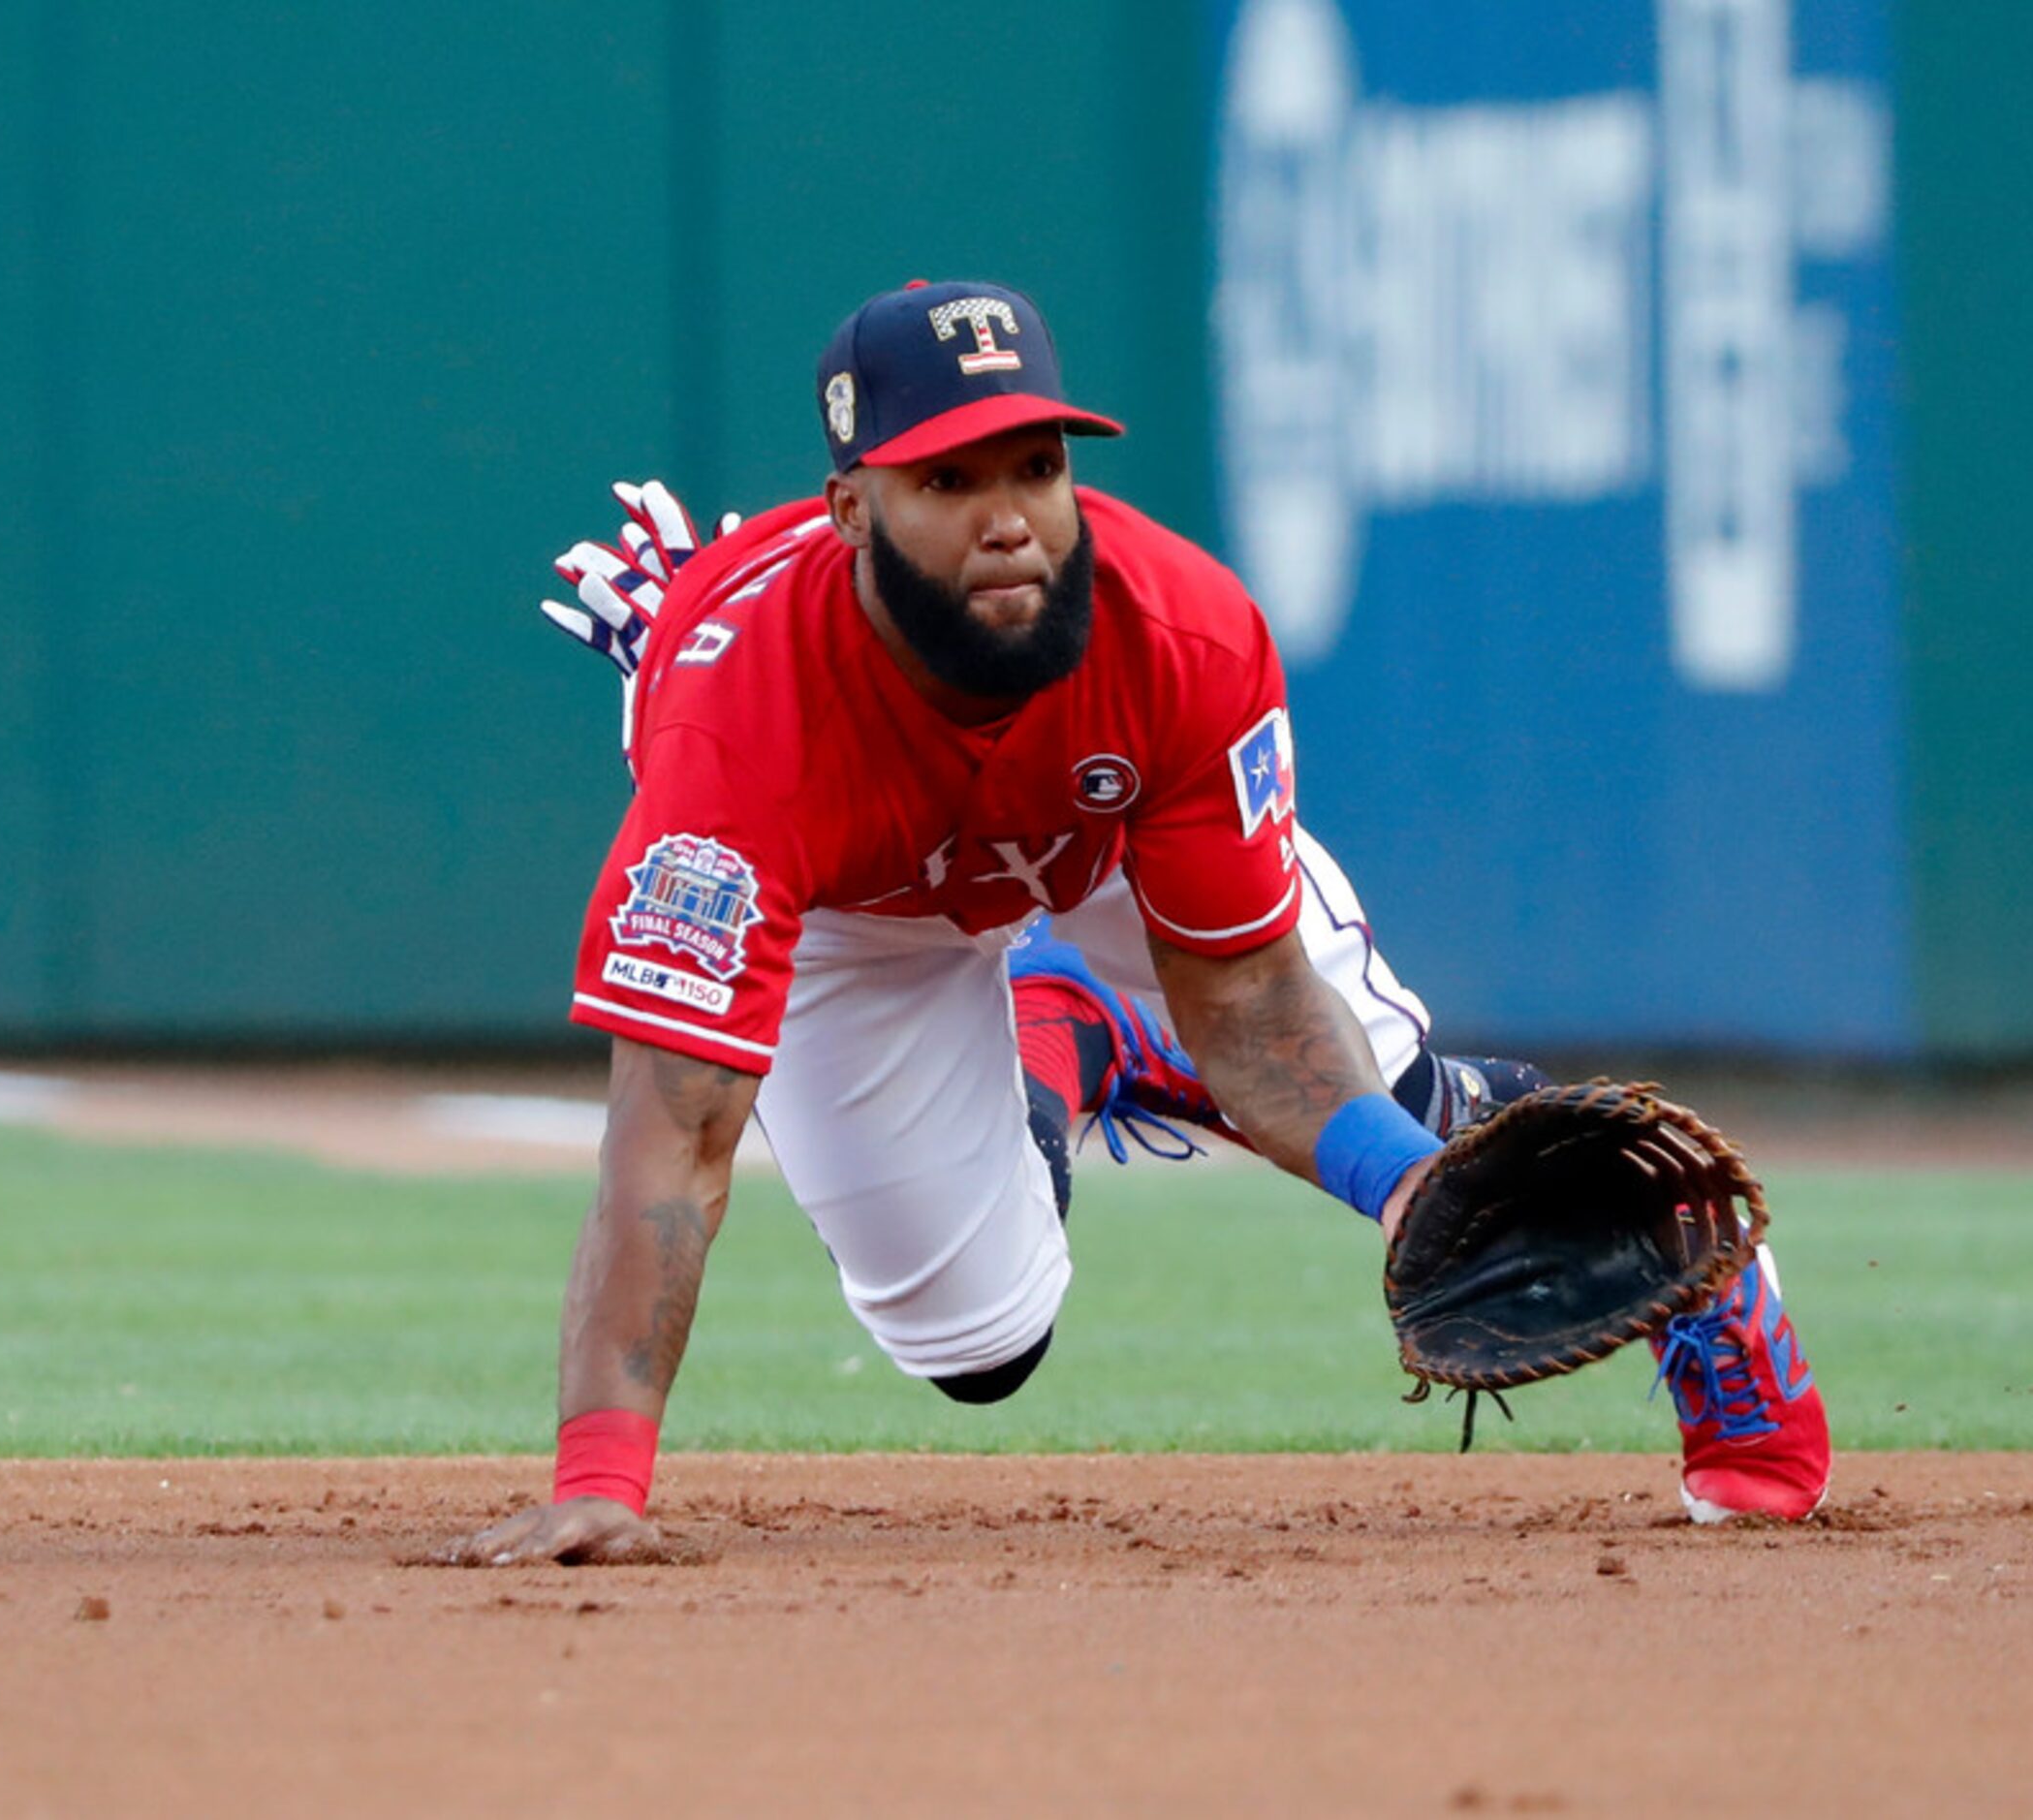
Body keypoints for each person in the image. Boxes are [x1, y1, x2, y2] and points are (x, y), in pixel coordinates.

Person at [447, 281, 1825, 1566]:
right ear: (848, 511)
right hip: (859, 903)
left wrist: (1407, 1185)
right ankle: (1074, 1039)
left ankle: (1711, 1288)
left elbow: (1248, 1007)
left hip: (1099, 835)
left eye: (1036, 466)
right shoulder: (733, 738)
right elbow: (677, 1129)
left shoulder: (1184, 633)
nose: (1010, 518)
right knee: (974, 1339)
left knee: (1397, 1097)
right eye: (948, 479)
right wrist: (601, 1473)